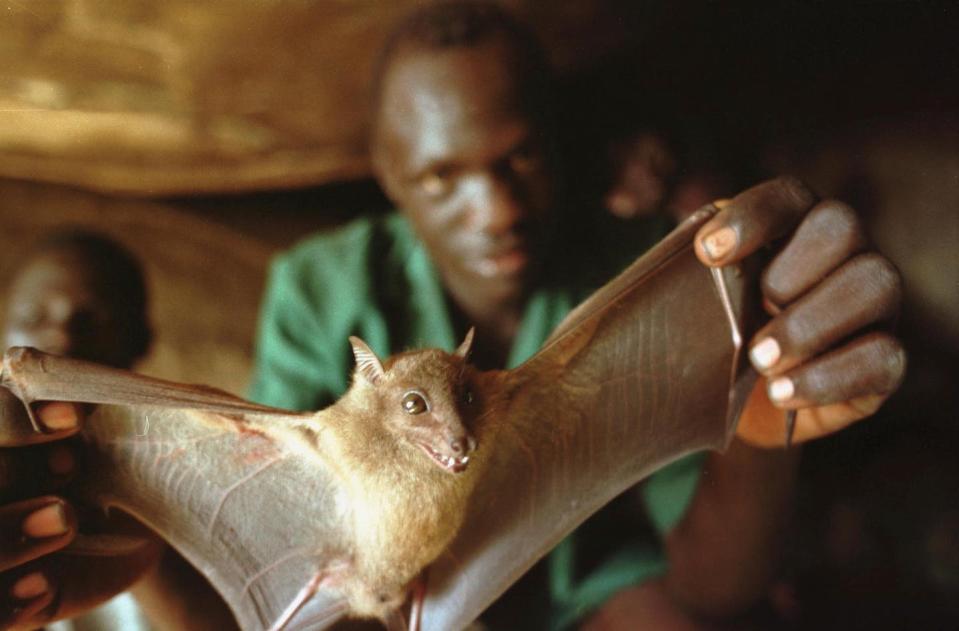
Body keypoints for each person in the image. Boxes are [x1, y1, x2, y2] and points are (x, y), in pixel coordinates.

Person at [247, 2, 905, 629]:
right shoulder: (319, 290)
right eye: (442, 177)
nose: (497, 210)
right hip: (394, 594)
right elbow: (281, 535)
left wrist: (761, 419)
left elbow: (715, 585)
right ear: (388, 172)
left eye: (521, 156)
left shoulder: (634, 277)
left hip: (592, 591)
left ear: (560, 145)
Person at [0, 232, 233, 630]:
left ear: (139, 339)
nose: (61, 338)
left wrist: (140, 515)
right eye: (33, 318)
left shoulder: (195, 462)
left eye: (92, 320)